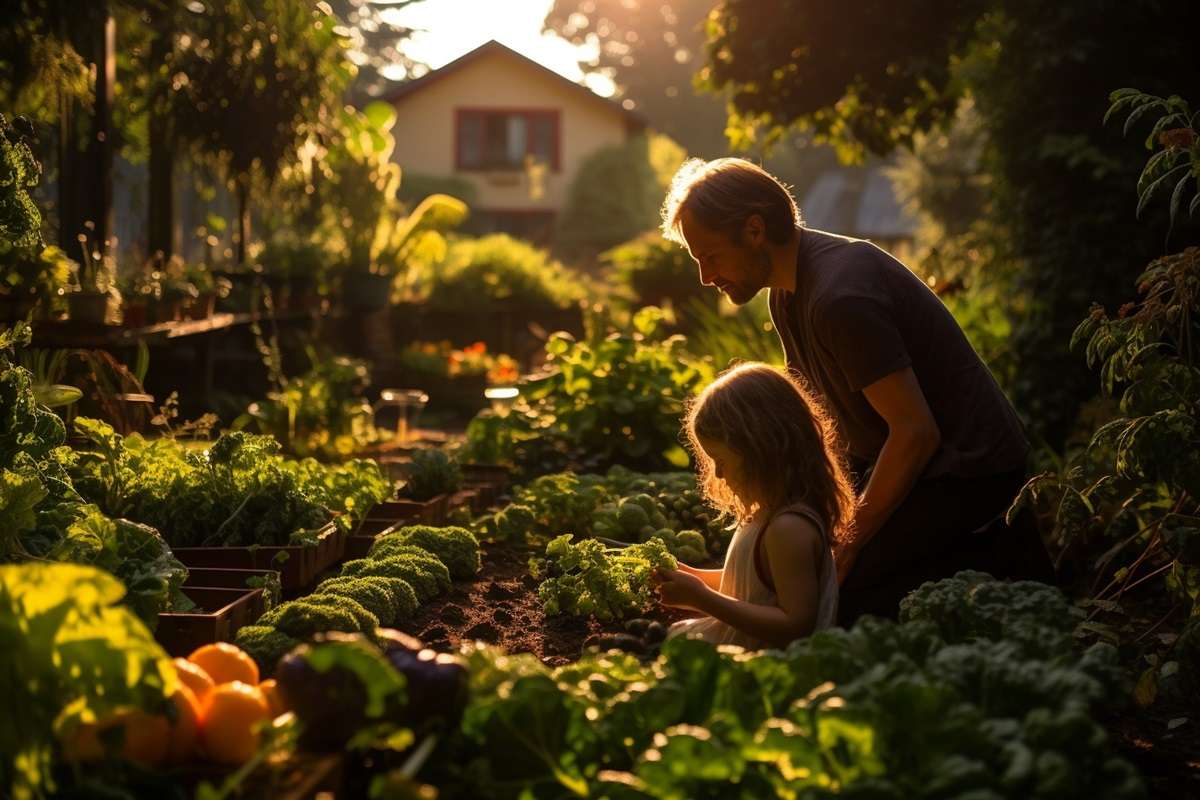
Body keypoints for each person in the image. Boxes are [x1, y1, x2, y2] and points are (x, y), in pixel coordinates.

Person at [659, 157, 1056, 626]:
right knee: (810, 571)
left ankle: (996, 557)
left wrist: (848, 539)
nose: (706, 277)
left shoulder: (840, 297)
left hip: (966, 471)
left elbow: (915, 432)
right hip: (901, 461)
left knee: (840, 604)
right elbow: (826, 430)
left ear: (754, 230)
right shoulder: (786, 294)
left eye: (709, 256)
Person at [656, 362, 854, 648]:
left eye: (720, 461)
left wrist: (702, 599)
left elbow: (795, 626)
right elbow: (748, 586)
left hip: (764, 667)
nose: (718, 474)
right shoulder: (768, 515)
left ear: (760, 450)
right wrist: (689, 576)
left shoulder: (789, 528)